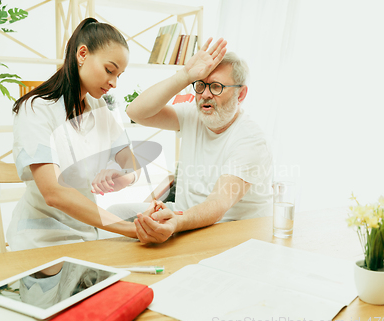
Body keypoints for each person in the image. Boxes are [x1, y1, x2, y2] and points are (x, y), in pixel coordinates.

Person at [108, 39, 273, 243]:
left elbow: (218, 203)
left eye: (216, 87)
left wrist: (176, 222)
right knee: (113, 216)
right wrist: (185, 75)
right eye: (201, 85)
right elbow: (136, 112)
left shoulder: (250, 140)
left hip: (230, 231)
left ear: (241, 94)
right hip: (185, 218)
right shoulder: (192, 115)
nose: (205, 94)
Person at [8, 18, 140, 251]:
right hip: (42, 239)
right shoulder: (36, 109)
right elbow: (54, 193)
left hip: (87, 235)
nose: (114, 83)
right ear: (82, 54)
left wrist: (124, 175)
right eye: (109, 70)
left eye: (119, 75)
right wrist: (130, 229)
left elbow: (131, 161)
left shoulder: (99, 109)